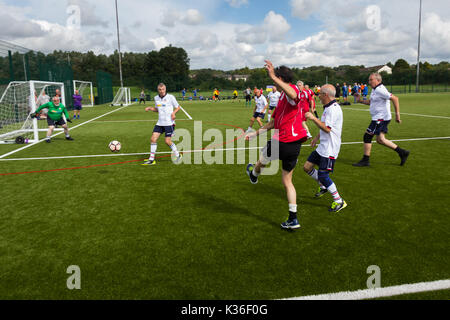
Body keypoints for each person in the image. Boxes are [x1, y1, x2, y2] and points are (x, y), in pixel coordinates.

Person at [245, 60, 308, 230]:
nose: (273, 83)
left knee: (262, 161)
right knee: (287, 181)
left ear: (280, 78)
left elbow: (294, 95)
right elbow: (273, 123)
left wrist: (272, 75)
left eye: (274, 80)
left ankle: (254, 175)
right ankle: (293, 218)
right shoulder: (281, 97)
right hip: (292, 144)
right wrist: (255, 133)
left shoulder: (292, 90)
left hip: (283, 140)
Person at [303, 84, 347, 213]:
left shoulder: (333, 109)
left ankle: (339, 201)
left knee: (323, 174)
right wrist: (317, 137)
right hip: (323, 146)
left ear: (326, 95)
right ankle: (323, 186)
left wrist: (313, 118)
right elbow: (326, 126)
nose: (318, 96)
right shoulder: (327, 107)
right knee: (307, 167)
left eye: (320, 93)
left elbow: (327, 129)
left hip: (330, 148)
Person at [353, 73, 410, 167]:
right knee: (380, 140)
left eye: (371, 80)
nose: (369, 82)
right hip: (379, 118)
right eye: (369, 80)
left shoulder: (380, 89)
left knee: (367, 137)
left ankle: (365, 160)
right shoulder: (375, 90)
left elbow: (395, 98)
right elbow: (371, 102)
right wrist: (360, 100)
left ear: (378, 80)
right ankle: (402, 152)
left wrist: (397, 115)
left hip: (380, 118)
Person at [142, 83, 183, 166]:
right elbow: (157, 109)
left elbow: (178, 107)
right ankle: (151, 159)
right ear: (158, 90)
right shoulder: (156, 98)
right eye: (160, 89)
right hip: (160, 123)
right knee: (153, 139)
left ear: (165, 89)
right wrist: (150, 108)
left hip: (169, 123)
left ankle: (178, 155)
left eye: (163, 89)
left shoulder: (170, 97)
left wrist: (173, 113)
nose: (161, 91)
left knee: (167, 141)